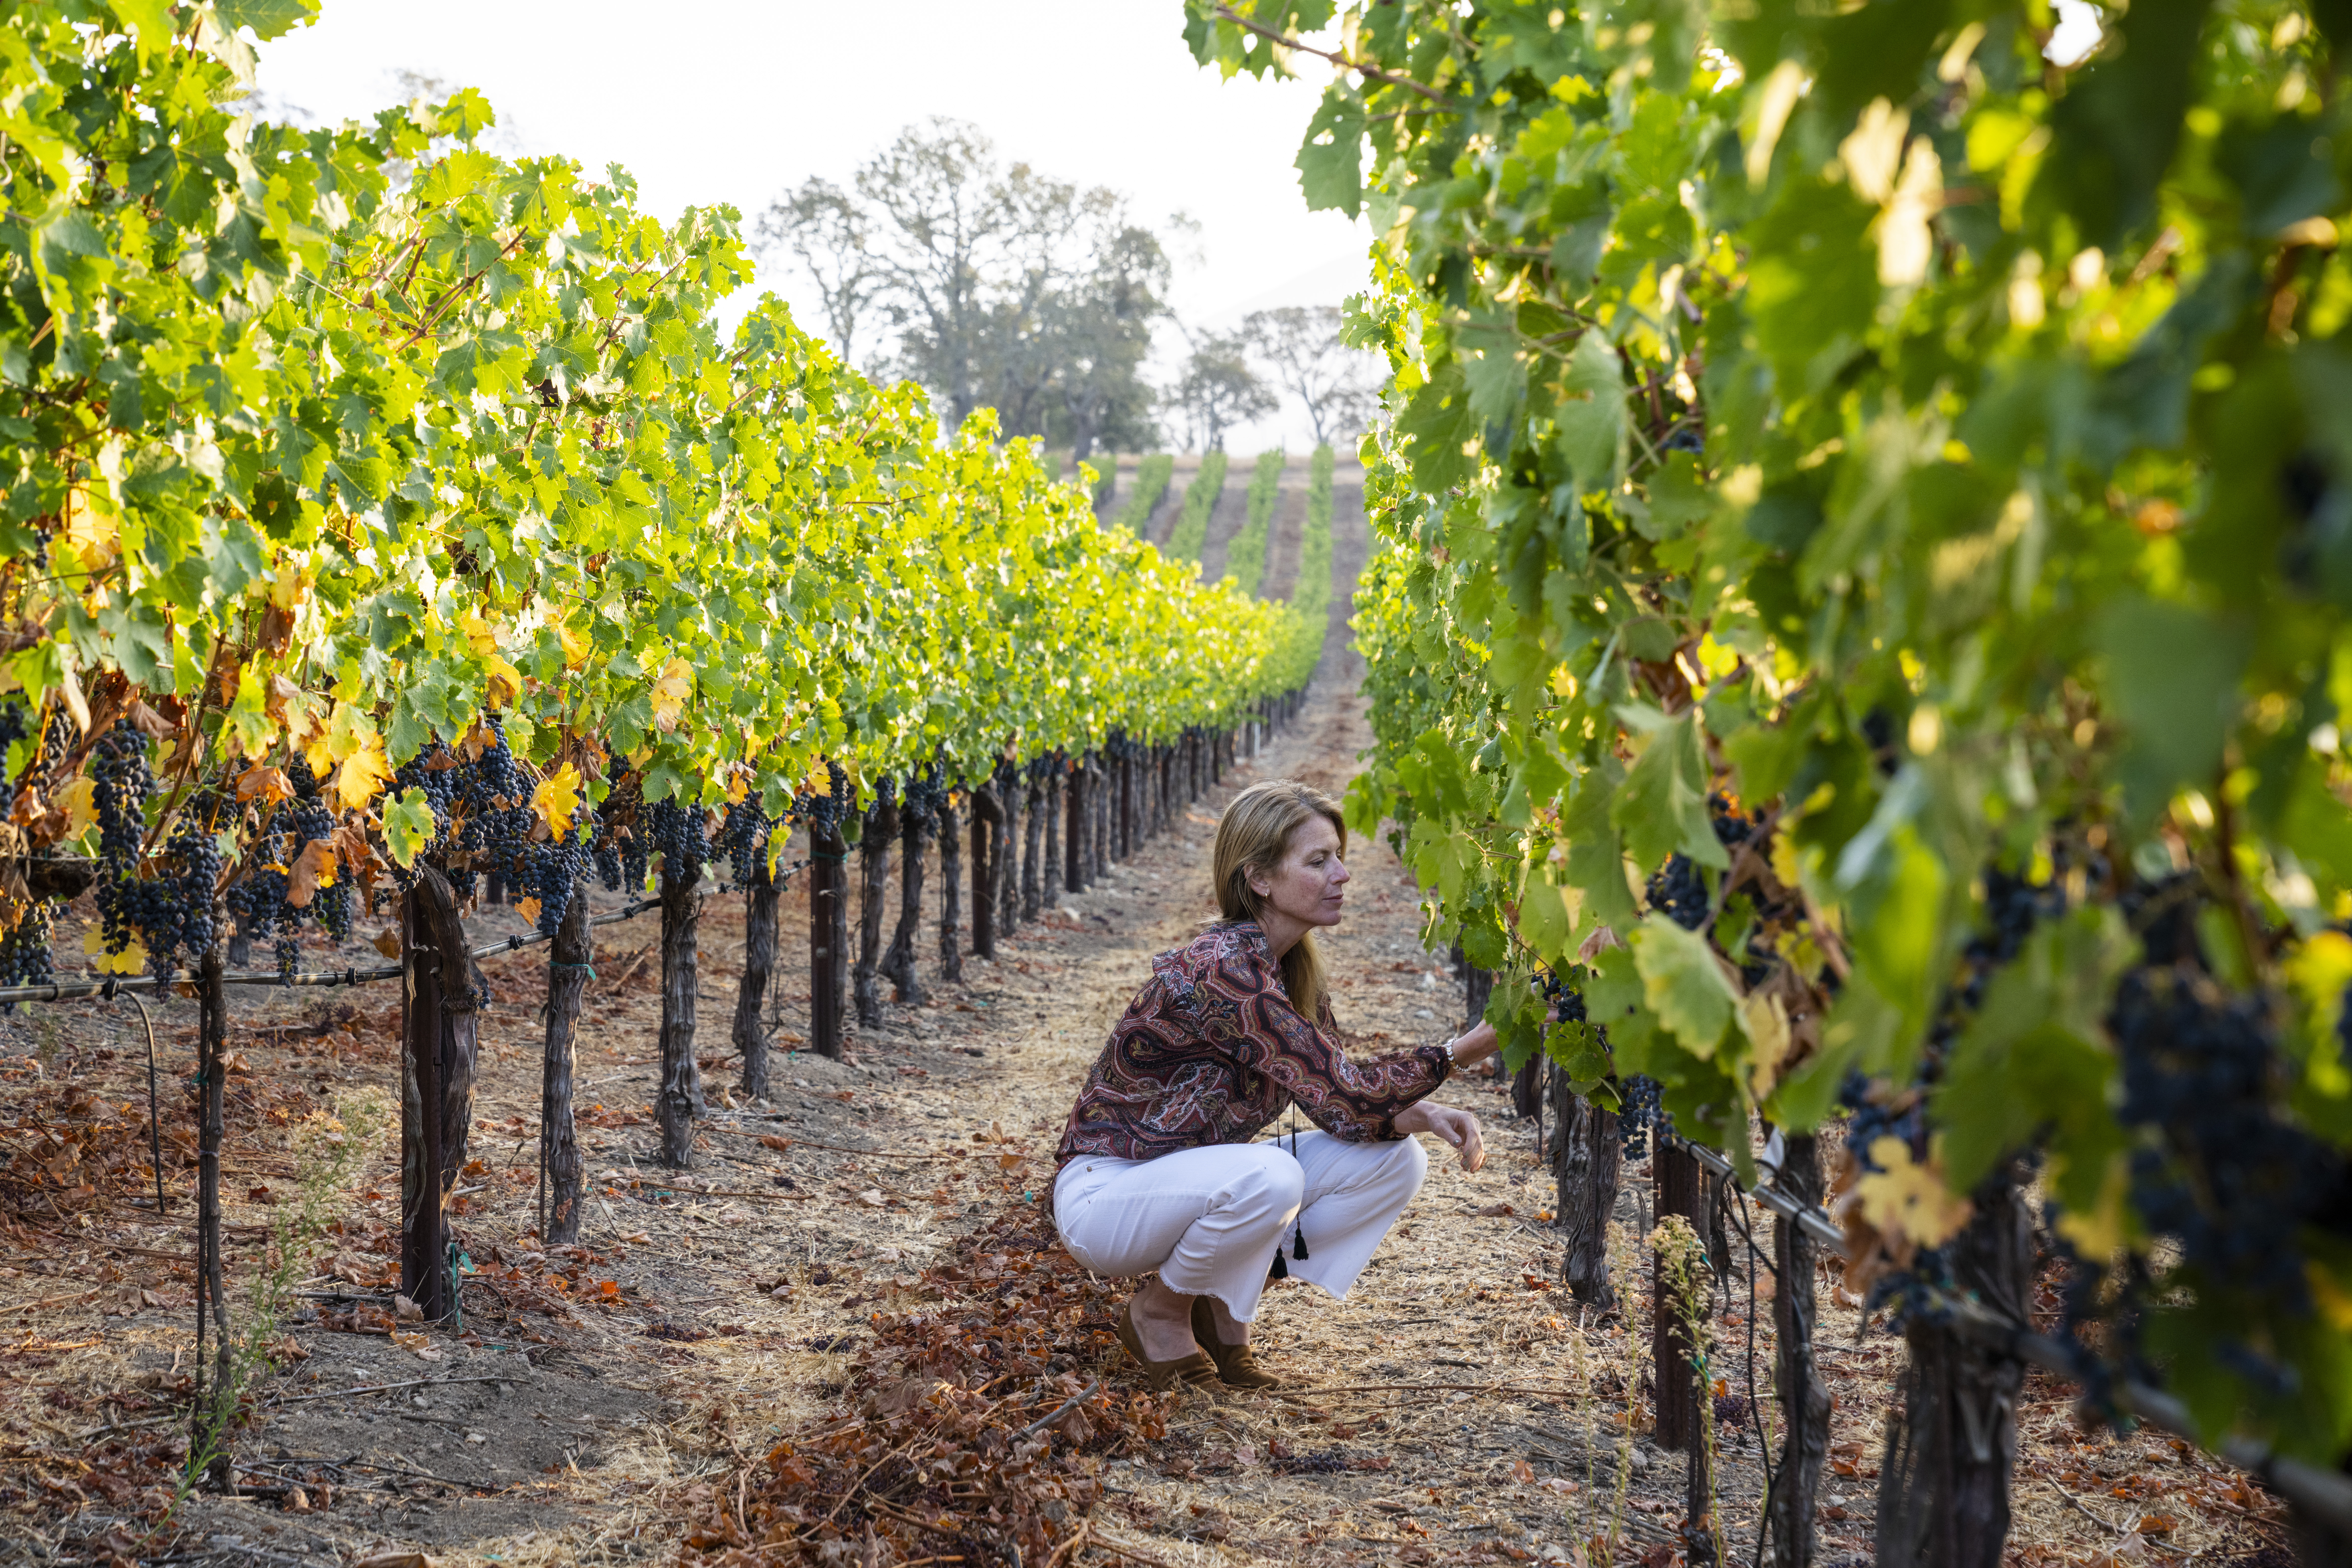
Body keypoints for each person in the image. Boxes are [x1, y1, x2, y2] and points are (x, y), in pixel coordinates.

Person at [1050, 778, 1504, 1391]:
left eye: (1338, 856)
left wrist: (1422, 1114)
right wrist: (1464, 1050)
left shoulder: (1290, 971)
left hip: (1190, 1182)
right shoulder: (1225, 969)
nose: (1342, 874)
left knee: (1397, 1162)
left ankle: (1220, 1302)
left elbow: (1336, 1097)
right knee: (1273, 1176)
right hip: (1109, 1196)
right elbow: (1347, 1096)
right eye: (1319, 861)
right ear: (1260, 879)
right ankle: (1160, 1312)